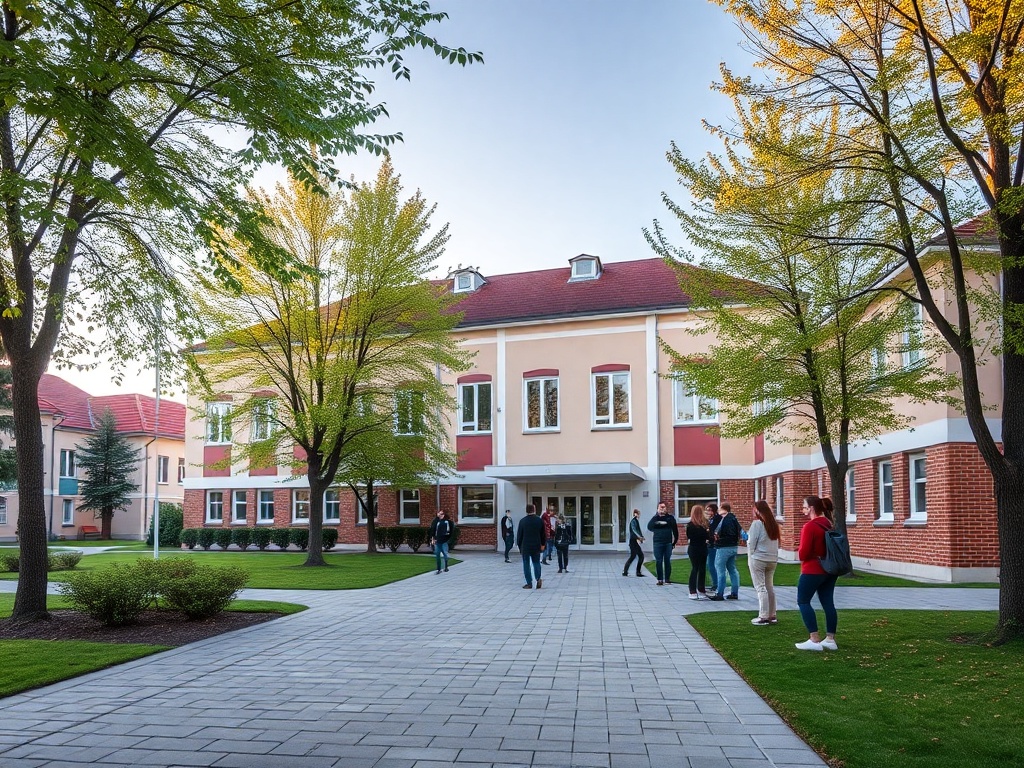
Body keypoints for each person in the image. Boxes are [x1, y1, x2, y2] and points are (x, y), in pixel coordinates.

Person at [795, 495, 839, 650]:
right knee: (828, 603)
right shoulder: (829, 523)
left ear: (812, 508)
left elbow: (803, 554)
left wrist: (799, 549)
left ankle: (814, 639)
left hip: (812, 569)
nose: (803, 510)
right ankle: (830, 639)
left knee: (803, 601)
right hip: (830, 569)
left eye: (805, 507)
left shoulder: (810, 526)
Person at [747, 500, 780, 624]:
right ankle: (772, 614)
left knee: (760, 587)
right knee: (769, 587)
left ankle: (763, 615)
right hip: (772, 559)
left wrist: (751, 557)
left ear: (757, 510)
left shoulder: (757, 524)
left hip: (758, 558)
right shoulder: (773, 524)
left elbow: (751, 543)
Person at [708, 502, 741, 600]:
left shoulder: (726, 520)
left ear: (724, 509)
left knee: (720, 569)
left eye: (720, 508)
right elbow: (738, 531)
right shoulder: (733, 518)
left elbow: (728, 534)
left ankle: (720, 593)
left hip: (724, 547)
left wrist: (718, 540)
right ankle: (734, 592)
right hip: (733, 547)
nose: (718, 510)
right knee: (732, 569)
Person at [646, 502, 678, 585]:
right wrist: (657, 519)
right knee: (658, 561)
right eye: (660, 507)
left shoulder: (670, 518)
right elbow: (649, 526)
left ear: (666, 509)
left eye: (664, 507)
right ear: (657, 508)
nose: (662, 509)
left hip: (668, 543)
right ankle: (660, 579)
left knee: (667, 560)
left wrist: (674, 542)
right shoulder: (655, 518)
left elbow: (675, 529)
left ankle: (667, 578)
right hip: (657, 543)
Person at [517, 503, 546, 589]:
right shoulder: (539, 520)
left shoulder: (522, 521)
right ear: (534, 510)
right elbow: (543, 534)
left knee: (526, 564)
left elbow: (519, 535)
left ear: (526, 511)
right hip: (536, 545)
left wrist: (519, 546)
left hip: (525, 546)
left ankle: (529, 583)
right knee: (536, 562)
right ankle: (538, 579)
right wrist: (543, 544)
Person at [686, 504, 710, 599]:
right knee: (702, 569)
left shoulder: (690, 525)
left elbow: (689, 537)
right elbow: (708, 537)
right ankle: (701, 590)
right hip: (703, 548)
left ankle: (692, 591)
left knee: (695, 568)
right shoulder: (705, 525)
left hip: (693, 548)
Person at [622, 509, 647, 577]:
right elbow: (634, 530)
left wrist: (641, 537)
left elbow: (637, 531)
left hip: (634, 542)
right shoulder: (633, 521)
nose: (639, 515)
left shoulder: (635, 521)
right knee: (635, 556)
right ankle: (628, 571)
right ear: (635, 514)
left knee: (639, 556)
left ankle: (632, 572)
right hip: (633, 542)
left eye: (639, 514)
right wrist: (639, 537)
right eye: (638, 513)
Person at [428, 510, 453, 575]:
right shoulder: (436, 521)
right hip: (437, 541)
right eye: (439, 514)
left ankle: (446, 567)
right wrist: (433, 539)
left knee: (445, 554)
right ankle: (439, 569)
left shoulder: (448, 522)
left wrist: (447, 539)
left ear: (444, 515)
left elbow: (450, 532)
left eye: (442, 514)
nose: (440, 515)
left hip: (444, 541)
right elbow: (433, 530)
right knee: (438, 554)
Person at [705, 502, 720, 595]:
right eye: (707, 510)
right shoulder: (710, 519)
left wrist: (708, 530)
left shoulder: (717, 519)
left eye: (710, 510)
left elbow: (713, 530)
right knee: (709, 564)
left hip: (714, 544)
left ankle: (716, 584)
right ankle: (714, 583)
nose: (708, 512)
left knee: (712, 565)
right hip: (709, 544)